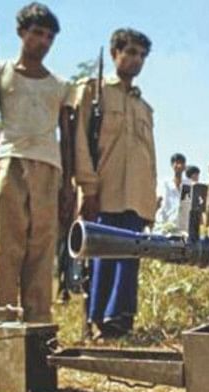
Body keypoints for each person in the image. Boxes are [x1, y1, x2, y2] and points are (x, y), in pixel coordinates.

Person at [0, 3, 73, 323]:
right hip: (8, 163)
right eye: (37, 33)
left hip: (49, 166)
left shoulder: (60, 85)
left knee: (42, 246)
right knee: (6, 245)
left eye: (49, 37)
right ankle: (1, 320)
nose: (43, 42)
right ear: (21, 33)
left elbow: (67, 139)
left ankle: (38, 322)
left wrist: (68, 185)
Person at [72, 28, 156, 338]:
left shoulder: (144, 107)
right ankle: (98, 321)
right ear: (114, 53)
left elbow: (150, 158)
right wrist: (87, 187)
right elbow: (80, 143)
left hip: (136, 197)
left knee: (130, 257)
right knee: (101, 257)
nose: (137, 60)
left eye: (142, 55)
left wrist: (149, 202)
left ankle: (120, 322)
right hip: (103, 192)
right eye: (130, 52)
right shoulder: (93, 92)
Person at [155, 153, 186, 232]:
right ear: (172, 165)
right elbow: (158, 202)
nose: (179, 166)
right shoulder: (164, 184)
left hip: (182, 228)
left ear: (184, 167)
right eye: (176, 163)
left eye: (181, 163)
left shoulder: (188, 185)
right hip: (164, 227)